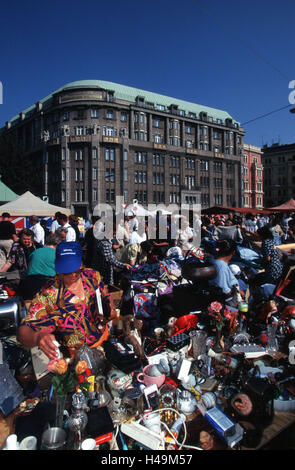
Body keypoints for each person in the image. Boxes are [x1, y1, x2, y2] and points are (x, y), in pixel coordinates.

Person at [17, 241, 112, 360]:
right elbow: (23, 331)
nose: (72, 274)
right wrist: (37, 337)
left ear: (82, 263)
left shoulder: (92, 276)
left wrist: (110, 305)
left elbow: (104, 294)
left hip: (104, 340)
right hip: (77, 357)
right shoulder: (49, 294)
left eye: (77, 270)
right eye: (66, 271)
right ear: (56, 265)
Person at [18, 232, 61, 301]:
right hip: (47, 284)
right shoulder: (57, 254)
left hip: (29, 283)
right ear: (57, 244)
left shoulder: (35, 252)